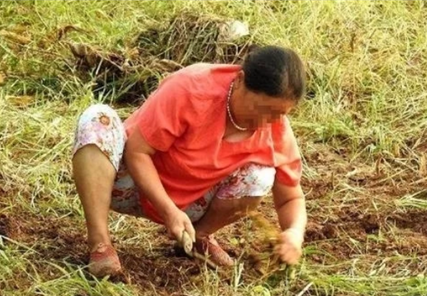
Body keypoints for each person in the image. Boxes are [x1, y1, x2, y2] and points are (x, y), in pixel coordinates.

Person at [72, 45, 308, 277]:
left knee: (260, 176)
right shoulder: (193, 88)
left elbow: (291, 197)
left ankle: (198, 238)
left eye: (278, 114)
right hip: (125, 183)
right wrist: (168, 211)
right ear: (239, 80)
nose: (265, 121)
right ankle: (100, 243)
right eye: (259, 109)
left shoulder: (277, 130)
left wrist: (294, 234)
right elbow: (137, 152)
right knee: (97, 118)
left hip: (190, 205)